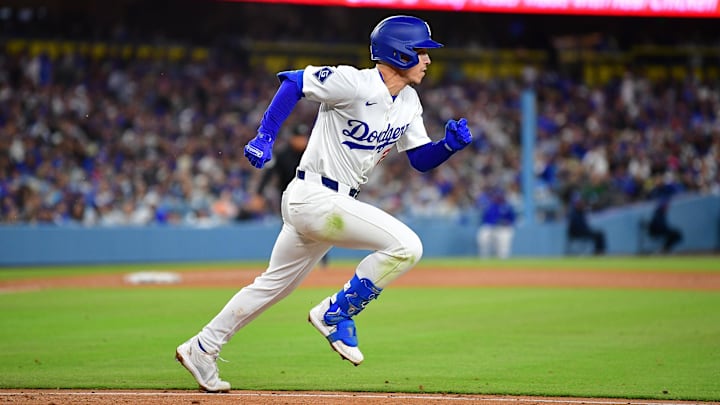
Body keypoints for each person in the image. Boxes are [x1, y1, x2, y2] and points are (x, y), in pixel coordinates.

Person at [175, 15, 473, 392]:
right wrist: (265, 136)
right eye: (421, 52)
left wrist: (447, 147)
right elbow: (294, 82)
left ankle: (203, 347)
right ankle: (337, 313)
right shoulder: (354, 82)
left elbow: (418, 159)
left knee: (272, 286)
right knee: (407, 247)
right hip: (315, 196)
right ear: (399, 54)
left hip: (327, 204)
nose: (428, 60)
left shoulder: (409, 101)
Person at [256, 123, 329, 268]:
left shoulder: (312, 153)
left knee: (317, 225)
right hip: (287, 198)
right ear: (292, 138)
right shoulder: (282, 154)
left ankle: (322, 261)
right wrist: (259, 193)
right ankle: (282, 262)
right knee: (287, 228)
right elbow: (268, 174)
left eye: (304, 137)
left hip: (310, 196)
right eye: (299, 137)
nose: (302, 140)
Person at [476, 188, 516, 259]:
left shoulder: (507, 206)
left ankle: (503, 264)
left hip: (503, 228)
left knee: (503, 248)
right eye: (497, 195)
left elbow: (512, 219)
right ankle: (484, 259)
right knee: (483, 238)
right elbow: (484, 219)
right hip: (490, 227)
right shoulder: (490, 205)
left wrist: (507, 222)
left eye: (500, 195)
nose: (498, 197)